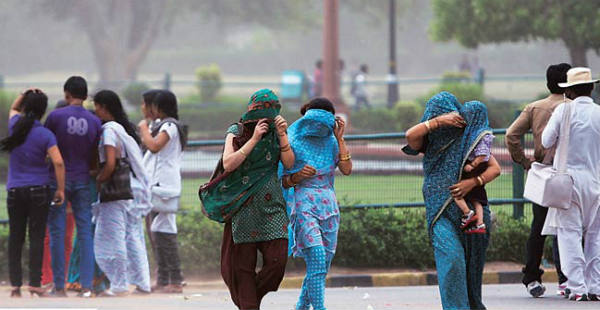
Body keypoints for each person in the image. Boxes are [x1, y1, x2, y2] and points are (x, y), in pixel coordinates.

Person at [404, 92, 501, 309]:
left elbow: (495, 168)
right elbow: (410, 136)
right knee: (452, 261)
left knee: (472, 269)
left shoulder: (469, 139)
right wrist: (437, 122)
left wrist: (473, 182)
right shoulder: (429, 142)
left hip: (475, 213)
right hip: (440, 211)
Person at [202, 89, 294, 310]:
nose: (268, 115)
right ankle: (249, 304)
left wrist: (282, 134)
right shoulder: (237, 130)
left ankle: (248, 298)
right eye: (263, 110)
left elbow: (289, 163)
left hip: (272, 206)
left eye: (272, 110)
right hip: (243, 207)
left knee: (277, 262)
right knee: (242, 267)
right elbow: (229, 163)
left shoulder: (277, 131)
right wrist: (254, 138)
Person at [505, 63, 571, 297]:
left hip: (544, 172)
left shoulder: (535, 107)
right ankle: (567, 277)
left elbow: (511, 135)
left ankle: (532, 276)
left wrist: (525, 162)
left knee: (539, 227)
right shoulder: (575, 108)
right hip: (571, 173)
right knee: (571, 227)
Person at [281, 98, 352, 310]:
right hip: (304, 206)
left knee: (321, 265)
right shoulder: (292, 140)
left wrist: (340, 139)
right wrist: (297, 177)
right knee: (318, 257)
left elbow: (347, 169)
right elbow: (283, 179)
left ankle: (301, 307)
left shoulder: (332, 142)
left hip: (329, 206)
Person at [541, 67, 600, 302]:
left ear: (570, 90)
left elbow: (546, 141)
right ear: (592, 87)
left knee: (569, 234)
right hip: (597, 181)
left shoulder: (563, 111)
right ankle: (595, 285)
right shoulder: (599, 112)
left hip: (569, 182)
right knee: (595, 235)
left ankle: (577, 287)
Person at [1, 89, 66, 297]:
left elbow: (13, 108)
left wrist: (23, 93)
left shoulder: (14, 126)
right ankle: (35, 284)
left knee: (16, 237)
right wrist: (61, 189)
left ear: (26, 107)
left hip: (14, 190)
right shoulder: (46, 134)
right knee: (36, 236)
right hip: (39, 189)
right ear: (43, 111)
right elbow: (58, 162)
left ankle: (15, 286)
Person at [44, 76, 102, 297]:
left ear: (66, 94)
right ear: (86, 96)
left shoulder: (55, 117)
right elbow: (95, 155)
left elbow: (47, 150)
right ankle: (86, 286)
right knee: (85, 231)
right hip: (83, 179)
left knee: (58, 231)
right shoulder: (95, 122)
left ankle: (59, 286)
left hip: (58, 180)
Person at [93, 90, 152, 296]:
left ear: (104, 107)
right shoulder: (122, 128)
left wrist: (97, 179)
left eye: (96, 105)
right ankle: (143, 282)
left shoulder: (109, 131)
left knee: (113, 235)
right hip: (132, 189)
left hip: (116, 191)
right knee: (133, 235)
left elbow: (110, 164)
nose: (94, 109)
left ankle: (119, 284)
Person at [138, 90, 186, 293]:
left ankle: (175, 279)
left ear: (158, 107)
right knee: (157, 232)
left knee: (165, 232)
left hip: (164, 187)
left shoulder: (169, 126)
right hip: (157, 186)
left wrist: (143, 130)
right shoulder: (161, 126)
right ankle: (164, 278)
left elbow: (155, 146)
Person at [454, 131, 494, 235]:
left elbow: (482, 154)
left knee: (456, 191)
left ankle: (467, 213)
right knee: (477, 200)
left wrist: (472, 165)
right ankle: (480, 224)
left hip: (474, 169)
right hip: (478, 170)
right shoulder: (481, 136)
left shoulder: (478, 138)